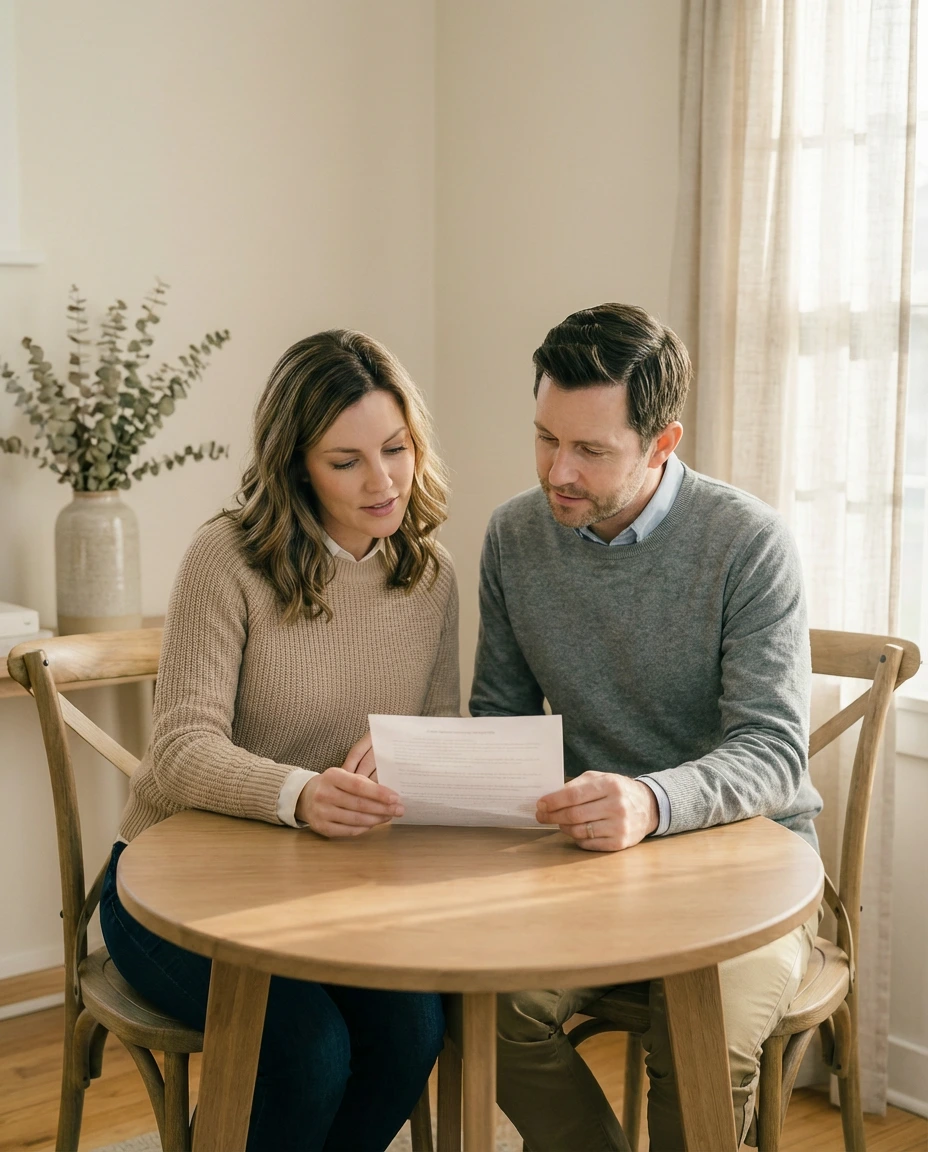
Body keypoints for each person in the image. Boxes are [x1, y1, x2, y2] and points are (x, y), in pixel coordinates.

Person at [470, 303, 823, 1152]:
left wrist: (651, 800)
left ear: (662, 443)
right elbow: (501, 722)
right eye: (547, 438)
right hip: (586, 873)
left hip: (751, 870)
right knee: (474, 1007)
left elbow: (774, 752)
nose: (559, 470)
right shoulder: (516, 536)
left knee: (700, 1042)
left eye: (591, 450)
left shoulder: (748, 542)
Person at [100, 330, 459, 1152]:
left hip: (328, 895)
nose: (383, 481)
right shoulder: (225, 558)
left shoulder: (430, 576)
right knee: (308, 1052)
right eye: (347, 461)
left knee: (412, 1034)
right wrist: (300, 791)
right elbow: (181, 748)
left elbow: (444, 730)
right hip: (171, 890)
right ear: (296, 463)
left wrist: (405, 752)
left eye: (397, 449)